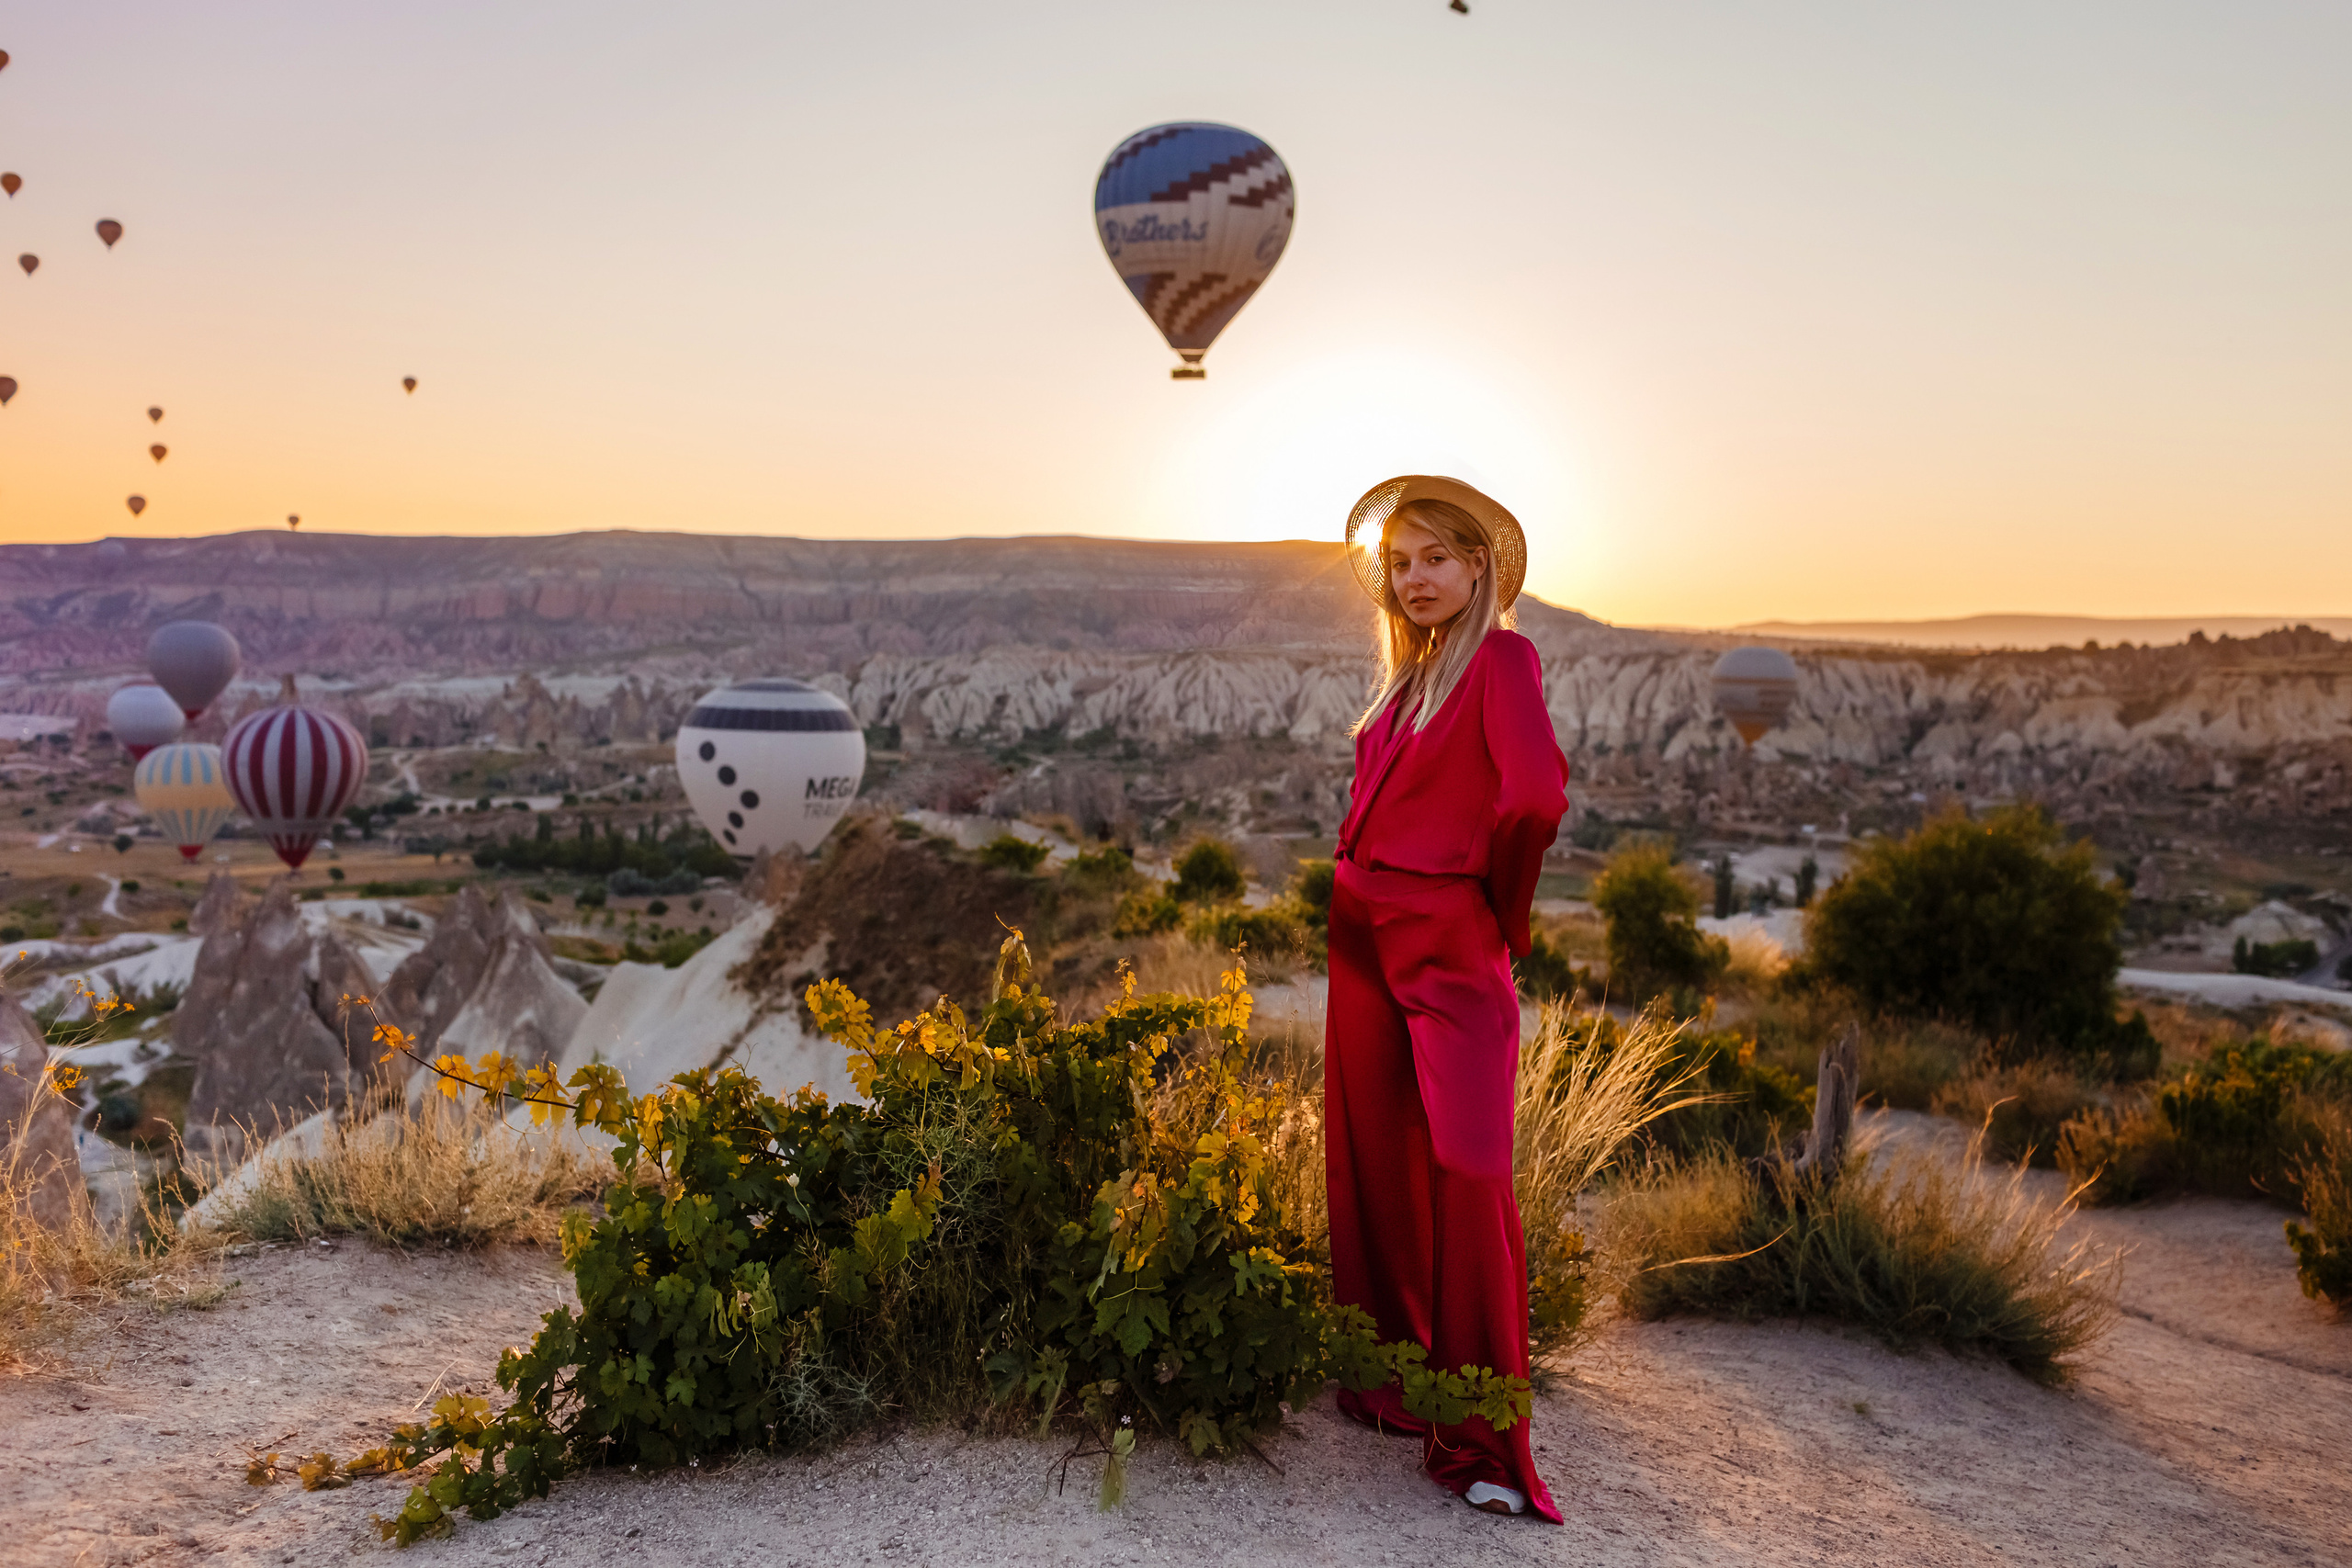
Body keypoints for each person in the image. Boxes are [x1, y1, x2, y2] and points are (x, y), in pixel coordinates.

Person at [1325, 476, 1568, 1521]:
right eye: (1399, 560)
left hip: (1446, 931)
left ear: (1479, 568)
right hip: (1359, 928)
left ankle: (1479, 1439)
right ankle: (1389, 1384)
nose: (1414, 578)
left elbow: (1535, 795)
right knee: (1373, 1155)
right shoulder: (1407, 675)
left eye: (1435, 557)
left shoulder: (1502, 658)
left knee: (1469, 1168)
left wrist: (1495, 912)